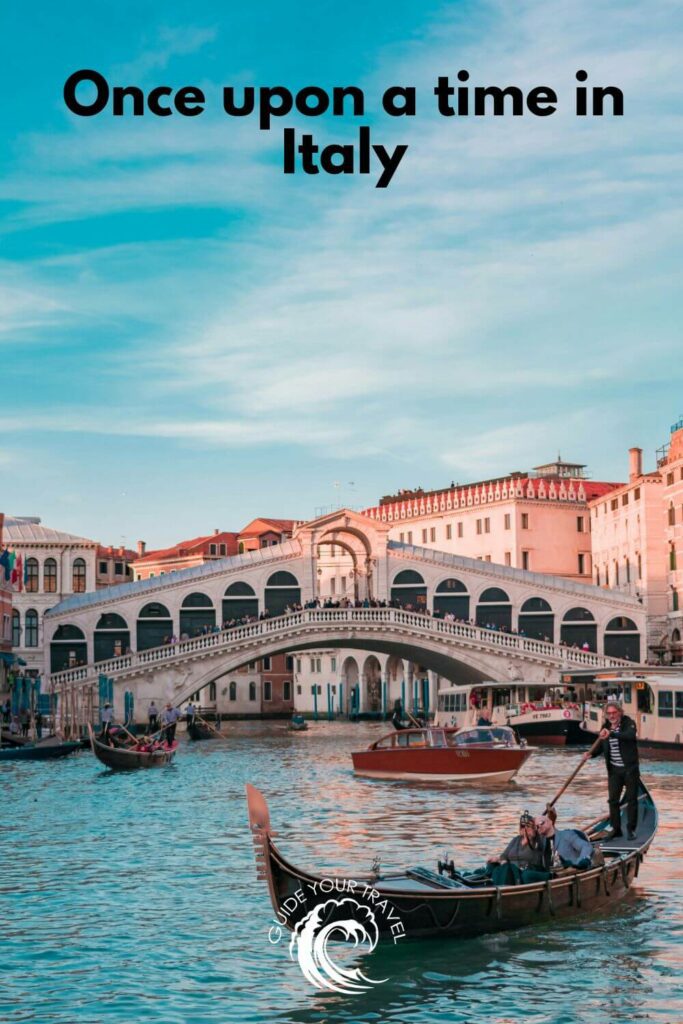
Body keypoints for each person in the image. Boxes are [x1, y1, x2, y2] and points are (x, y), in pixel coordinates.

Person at [583, 700, 639, 841]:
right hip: (614, 770)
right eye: (609, 713)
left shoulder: (628, 723)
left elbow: (630, 736)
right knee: (613, 800)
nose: (612, 716)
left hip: (630, 769)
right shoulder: (606, 727)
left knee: (632, 799)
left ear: (620, 712)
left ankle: (631, 829)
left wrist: (612, 734)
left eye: (614, 712)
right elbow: (601, 745)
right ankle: (616, 829)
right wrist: (590, 754)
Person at [486, 811, 550, 885]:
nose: (525, 828)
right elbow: (503, 856)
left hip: (525, 871)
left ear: (534, 828)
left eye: (528, 826)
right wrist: (498, 859)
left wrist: (538, 825)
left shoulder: (539, 840)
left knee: (508, 869)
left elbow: (548, 829)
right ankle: (485, 883)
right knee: (492, 865)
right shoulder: (516, 839)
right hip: (509, 869)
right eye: (522, 826)